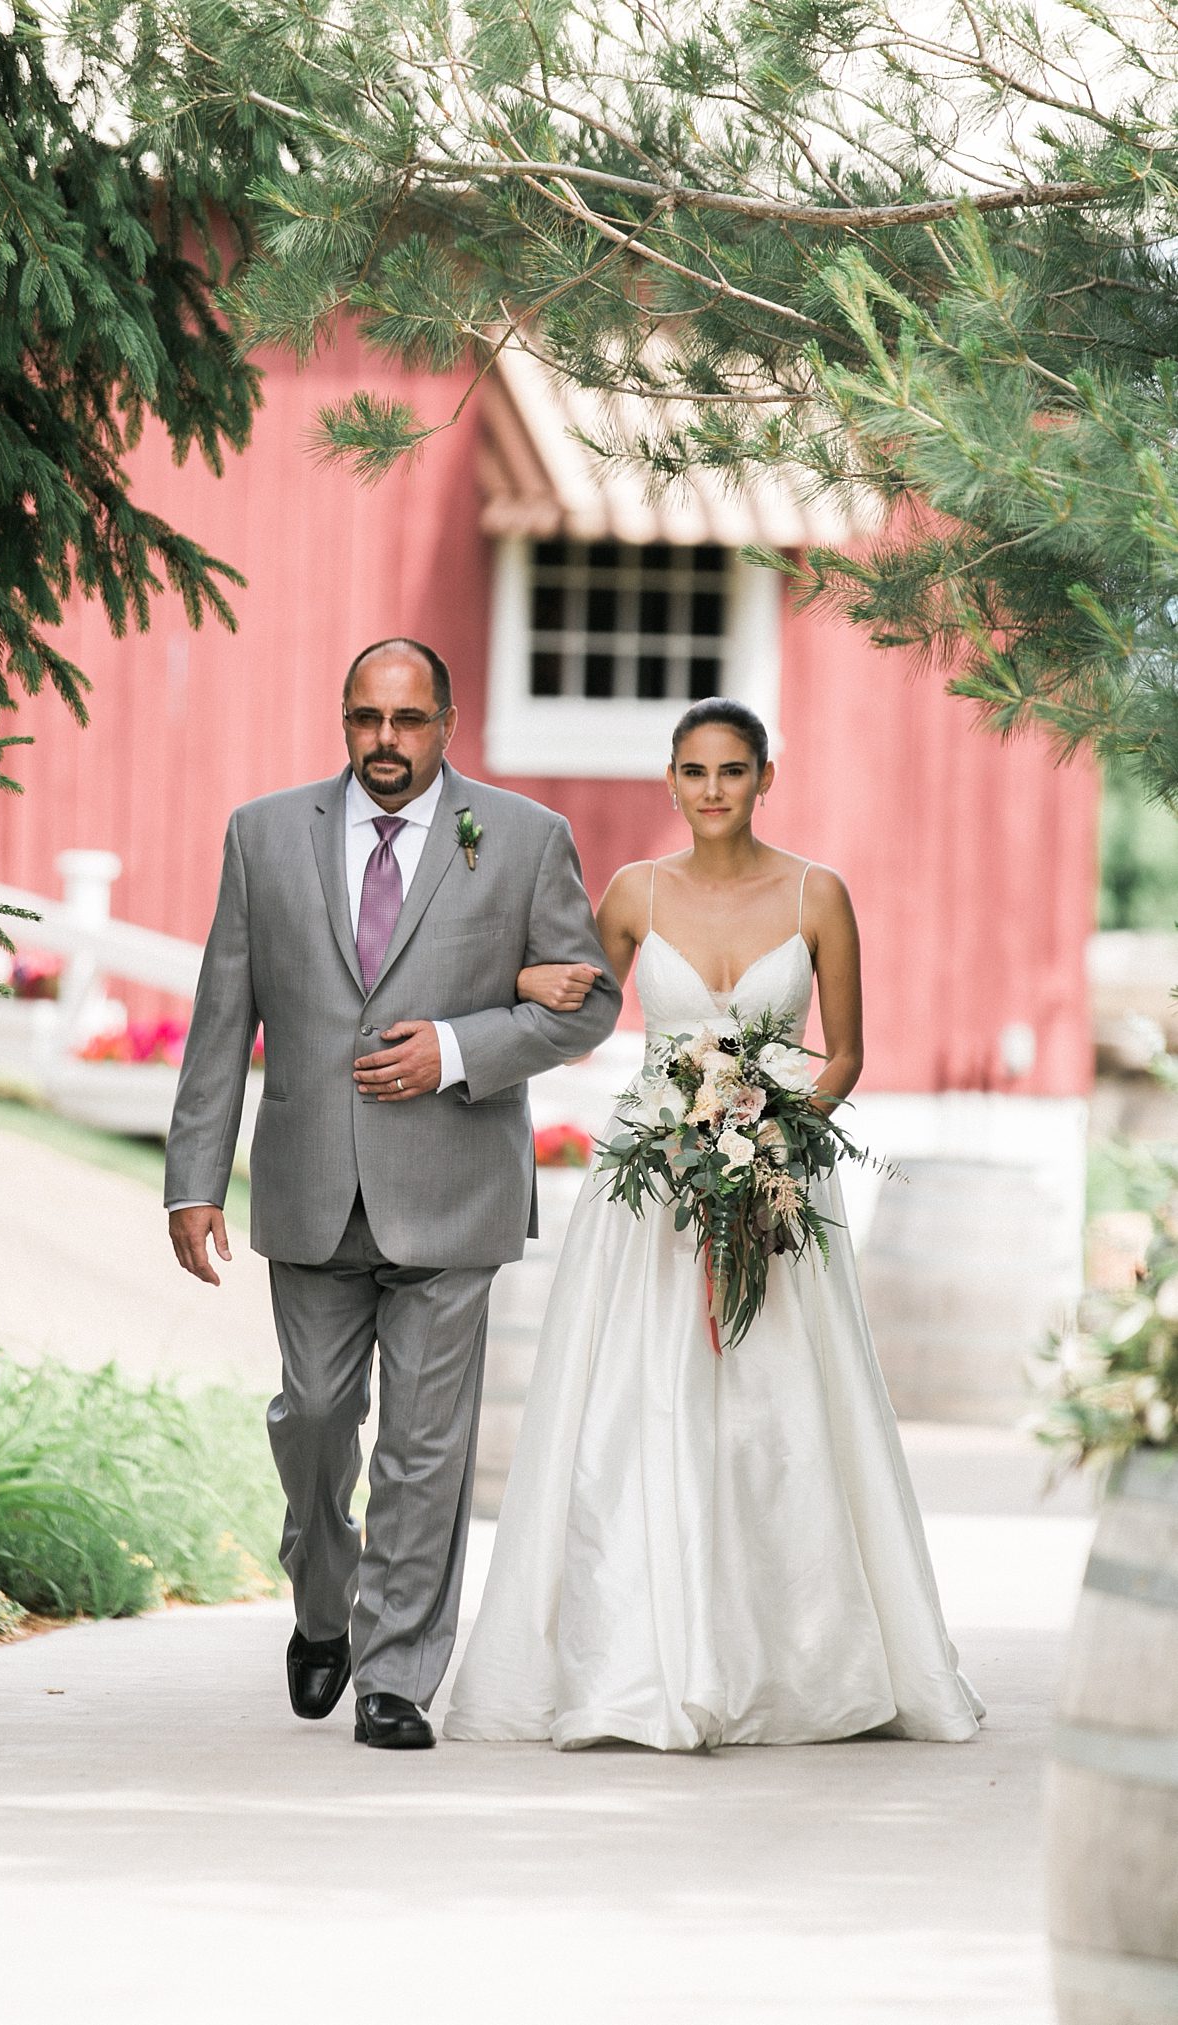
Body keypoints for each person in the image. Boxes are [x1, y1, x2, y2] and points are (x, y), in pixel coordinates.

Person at [444, 697, 984, 1751]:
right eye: (693, 771)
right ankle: (643, 1652)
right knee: (642, 1398)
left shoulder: (817, 891)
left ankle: (801, 1657)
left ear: (764, 777)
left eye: (732, 771)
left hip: (779, 1174)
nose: (712, 791)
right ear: (672, 780)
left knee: (783, 1402)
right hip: (652, 1174)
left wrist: (780, 1134)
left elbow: (846, 1053)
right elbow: (579, 1006)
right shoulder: (636, 892)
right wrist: (513, 977)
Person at [164, 639, 621, 1751]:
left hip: (452, 1183)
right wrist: (192, 1177)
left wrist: (459, 1049)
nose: (385, 741)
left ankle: (397, 1673)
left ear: (447, 721)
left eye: (408, 721)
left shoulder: (523, 839)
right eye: (366, 718)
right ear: (342, 718)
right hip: (310, 1181)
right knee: (314, 1420)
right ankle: (324, 1610)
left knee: (427, 1445)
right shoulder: (265, 834)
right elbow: (226, 1013)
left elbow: (588, 1002)